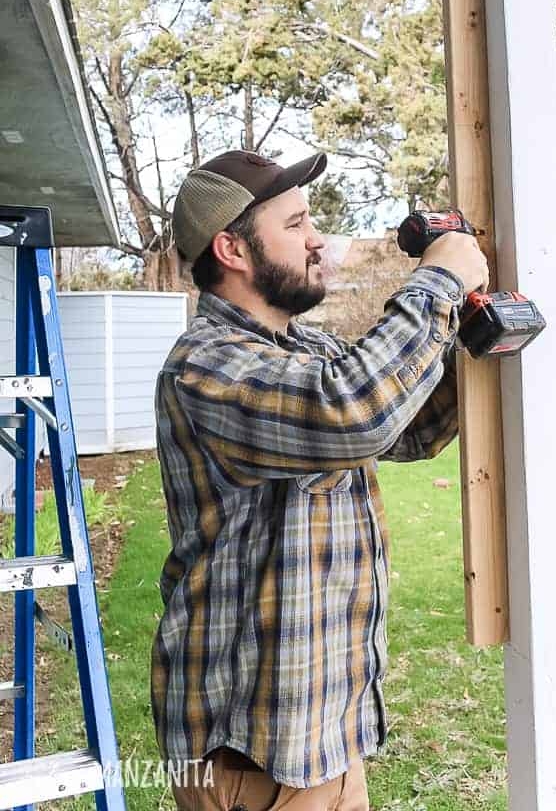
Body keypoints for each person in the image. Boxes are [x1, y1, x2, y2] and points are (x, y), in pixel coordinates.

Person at [151, 148, 489, 811]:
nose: (318, 241)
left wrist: (465, 330)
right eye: (297, 225)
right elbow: (352, 415)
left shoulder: (307, 350)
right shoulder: (205, 365)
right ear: (234, 250)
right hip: (250, 754)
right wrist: (435, 285)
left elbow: (407, 429)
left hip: (318, 740)